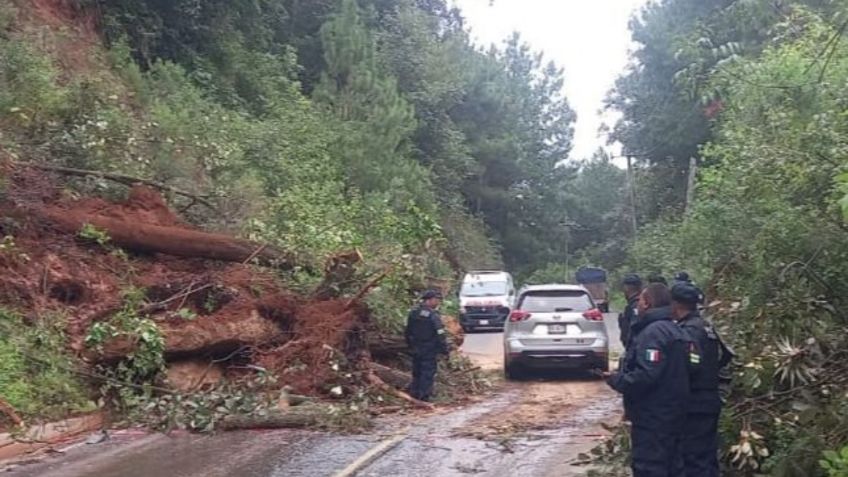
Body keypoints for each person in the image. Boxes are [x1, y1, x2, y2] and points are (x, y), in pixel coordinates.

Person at [607, 283, 690, 477]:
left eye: (641, 301)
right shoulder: (674, 329)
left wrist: (618, 380)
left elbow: (646, 375)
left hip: (654, 416)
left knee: (650, 466)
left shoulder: (653, 333)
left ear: (648, 303)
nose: (637, 306)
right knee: (673, 466)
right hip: (673, 412)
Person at [672, 283, 730, 477]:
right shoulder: (706, 326)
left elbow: (692, 362)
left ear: (675, 303)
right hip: (709, 398)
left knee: (694, 458)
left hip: (695, 403)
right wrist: (712, 373)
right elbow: (727, 356)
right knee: (707, 455)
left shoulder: (688, 330)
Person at [404, 289, 449, 402]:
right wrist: (444, 349)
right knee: (427, 372)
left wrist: (410, 345)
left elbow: (407, 331)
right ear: (429, 300)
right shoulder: (433, 316)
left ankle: (414, 394)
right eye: (436, 300)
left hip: (416, 348)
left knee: (417, 371)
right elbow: (440, 333)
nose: (437, 302)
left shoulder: (414, 313)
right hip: (429, 349)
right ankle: (424, 396)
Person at [618, 274, 643, 348]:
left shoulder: (636, 305)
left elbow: (634, 329)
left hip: (635, 347)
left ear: (626, 288)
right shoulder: (643, 303)